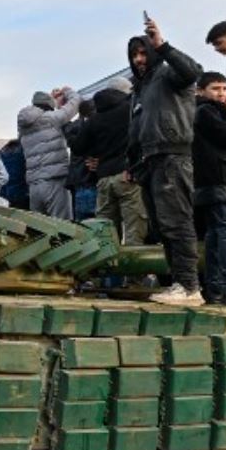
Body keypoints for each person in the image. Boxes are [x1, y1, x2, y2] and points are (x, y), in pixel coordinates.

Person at [127, 17, 203, 306]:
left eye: (143, 52)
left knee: (177, 223)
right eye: (134, 54)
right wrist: (133, 162)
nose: (138, 59)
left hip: (173, 155)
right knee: (163, 226)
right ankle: (179, 283)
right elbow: (135, 129)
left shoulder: (168, 75)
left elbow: (192, 71)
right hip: (151, 160)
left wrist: (164, 45)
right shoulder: (142, 88)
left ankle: (189, 285)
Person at [191, 74, 226, 307]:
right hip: (225, 181)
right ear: (200, 90)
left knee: (215, 236)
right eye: (215, 88)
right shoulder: (207, 112)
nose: (222, 93)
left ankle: (215, 288)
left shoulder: (199, 112)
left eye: (224, 88)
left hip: (209, 182)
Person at [83, 82, 147, 245]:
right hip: (127, 175)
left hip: (103, 178)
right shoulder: (130, 110)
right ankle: (135, 268)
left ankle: (110, 269)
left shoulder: (94, 118)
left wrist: (97, 155)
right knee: (134, 228)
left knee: (105, 232)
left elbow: (77, 146)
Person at [17, 87, 81, 219]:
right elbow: (76, 101)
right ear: (49, 106)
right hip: (55, 181)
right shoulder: (52, 119)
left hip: (34, 185)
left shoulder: (23, 126)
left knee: (40, 230)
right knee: (63, 228)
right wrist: (67, 91)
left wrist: (53, 101)